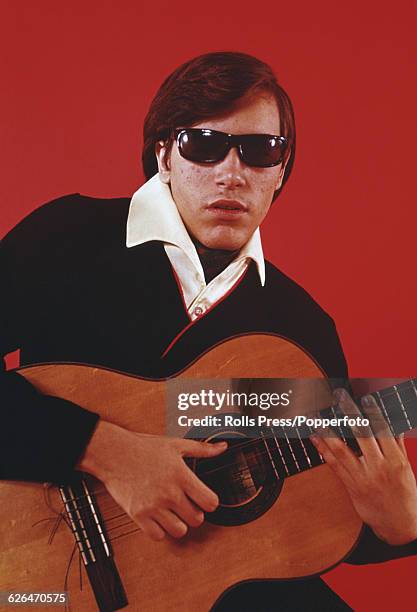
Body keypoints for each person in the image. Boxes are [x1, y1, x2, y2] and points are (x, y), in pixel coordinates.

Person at [1, 51, 417, 611]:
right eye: (203, 144)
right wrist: (102, 449)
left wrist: (398, 528)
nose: (231, 172)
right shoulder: (67, 237)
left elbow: (308, 509)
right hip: (40, 577)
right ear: (164, 156)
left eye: (260, 151)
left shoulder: (299, 327)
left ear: (281, 172)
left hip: (202, 585)